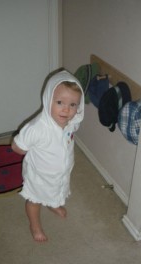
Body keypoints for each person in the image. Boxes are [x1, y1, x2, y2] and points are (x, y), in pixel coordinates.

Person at [11, 70, 84, 242]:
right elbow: (17, 146)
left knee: (57, 190)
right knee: (34, 200)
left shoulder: (71, 122)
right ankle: (35, 225)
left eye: (73, 105)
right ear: (47, 99)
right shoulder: (37, 128)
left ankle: (53, 203)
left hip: (61, 172)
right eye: (60, 102)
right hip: (39, 175)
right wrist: (26, 150)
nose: (66, 109)